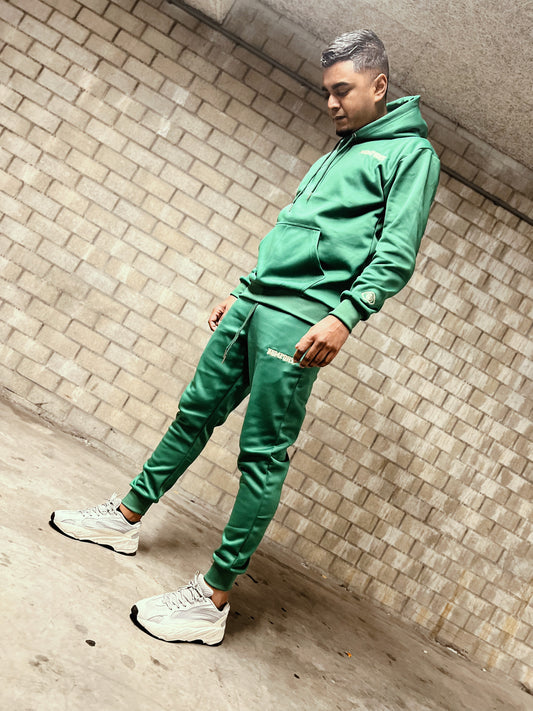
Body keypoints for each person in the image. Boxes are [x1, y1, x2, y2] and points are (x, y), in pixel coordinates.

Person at [50, 29, 440, 646]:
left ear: (380, 85)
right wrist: (244, 287)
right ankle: (124, 518)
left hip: (301, 320)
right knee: (193, 412)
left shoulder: (410, 154)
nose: (332, 103)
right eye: (327, 92)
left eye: (342, 90)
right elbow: (294, 230)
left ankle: (212, 599)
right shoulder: (341, 150)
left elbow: (396, 253)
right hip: (254, 304)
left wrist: (345, 316)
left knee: (261, 458)